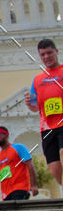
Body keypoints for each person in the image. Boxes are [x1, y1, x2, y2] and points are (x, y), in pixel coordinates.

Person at [24, 39, 63, 191]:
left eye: (49, 53)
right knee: (54, 167)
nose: (47, 57)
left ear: (56, 52)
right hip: (47, 128)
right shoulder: (38, 79)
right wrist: (29, 103)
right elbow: (35, 107)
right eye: (43, 54)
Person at [0, 126, 38, 201]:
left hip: (20, 188)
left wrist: (34, 185)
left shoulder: (18, 148)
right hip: (5, 193)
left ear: (6, 135)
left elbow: (30, 165)